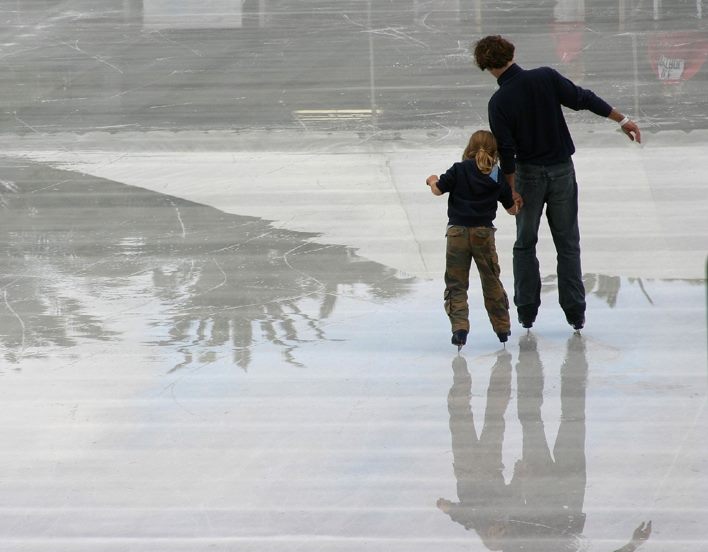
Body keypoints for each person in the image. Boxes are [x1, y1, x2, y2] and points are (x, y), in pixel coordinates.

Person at [472, 35, 641, 331]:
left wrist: (511, 189)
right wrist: (621, 119)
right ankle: (575, 313)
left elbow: (507, 151)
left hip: (527, 176)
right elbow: (583, 98)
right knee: (568, 243)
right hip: (562, 171)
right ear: (511, 53)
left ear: (486, 66)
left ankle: (526, 310)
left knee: (525, 244)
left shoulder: (499, 102)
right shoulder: (545, 77)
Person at [426, 130, 518, 349]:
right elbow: (512, 209)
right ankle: (502, 328)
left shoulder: (459, 169)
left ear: (469, 147)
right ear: (494, 151)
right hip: (483, 234)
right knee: (491, 280)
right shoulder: (496, 174)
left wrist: (432, 180)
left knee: (456, 284)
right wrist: (517, 201)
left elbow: (438, 190)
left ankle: (460, 329)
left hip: (457, 233)